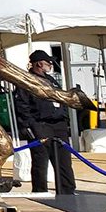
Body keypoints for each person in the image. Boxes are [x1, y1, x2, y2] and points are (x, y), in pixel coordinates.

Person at [14, 50, 76, 194]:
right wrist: (29, 125)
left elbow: (62, 98)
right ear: (39, 64)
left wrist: (64, 116)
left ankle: (67, 190)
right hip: (41, 125)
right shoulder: (27, 81)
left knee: (64, 161)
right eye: (48, 62)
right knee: (40, 161)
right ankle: (40, 191)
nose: (50, 64)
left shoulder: (51, 80)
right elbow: (22, 106)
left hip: (58, 124)